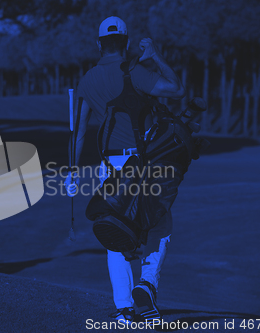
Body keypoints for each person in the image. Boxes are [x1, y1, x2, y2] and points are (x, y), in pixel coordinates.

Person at [65, 16, 185, 323]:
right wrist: (156, 55)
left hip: (110, 168)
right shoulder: (135, 71)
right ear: (127, 43)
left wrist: (72, 172)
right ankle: (146, 285)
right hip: (144, 165)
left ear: (98, 45)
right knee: (159, 225)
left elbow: (78, 132)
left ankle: (124, 310)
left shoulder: (88, 79)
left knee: (115, 233)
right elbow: (176, 89)